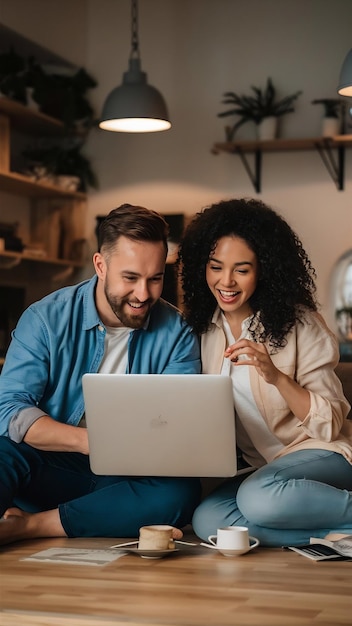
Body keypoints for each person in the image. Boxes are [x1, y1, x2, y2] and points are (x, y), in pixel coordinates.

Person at [0, 204, 201, 546]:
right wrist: (92, 442)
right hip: (50, 466)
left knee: (180, 492)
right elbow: (10, 410)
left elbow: (179, 424)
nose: (143, 294)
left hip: (125, 477)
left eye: (155, 279)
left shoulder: (177, 333)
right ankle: (89, 516)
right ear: (100, 265)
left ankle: (32, 526)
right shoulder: (45, 319)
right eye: (131, 278)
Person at [178, 197, 352, 547]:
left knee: (258, 498)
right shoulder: (198, 331)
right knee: (209, 519)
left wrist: (276, 377)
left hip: (324, 453)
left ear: (264, 271)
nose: (226, 282)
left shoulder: (300, 325)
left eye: (241, 270)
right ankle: (336, 534)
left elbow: (330, 423)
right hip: (265, 469)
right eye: (215, 267)